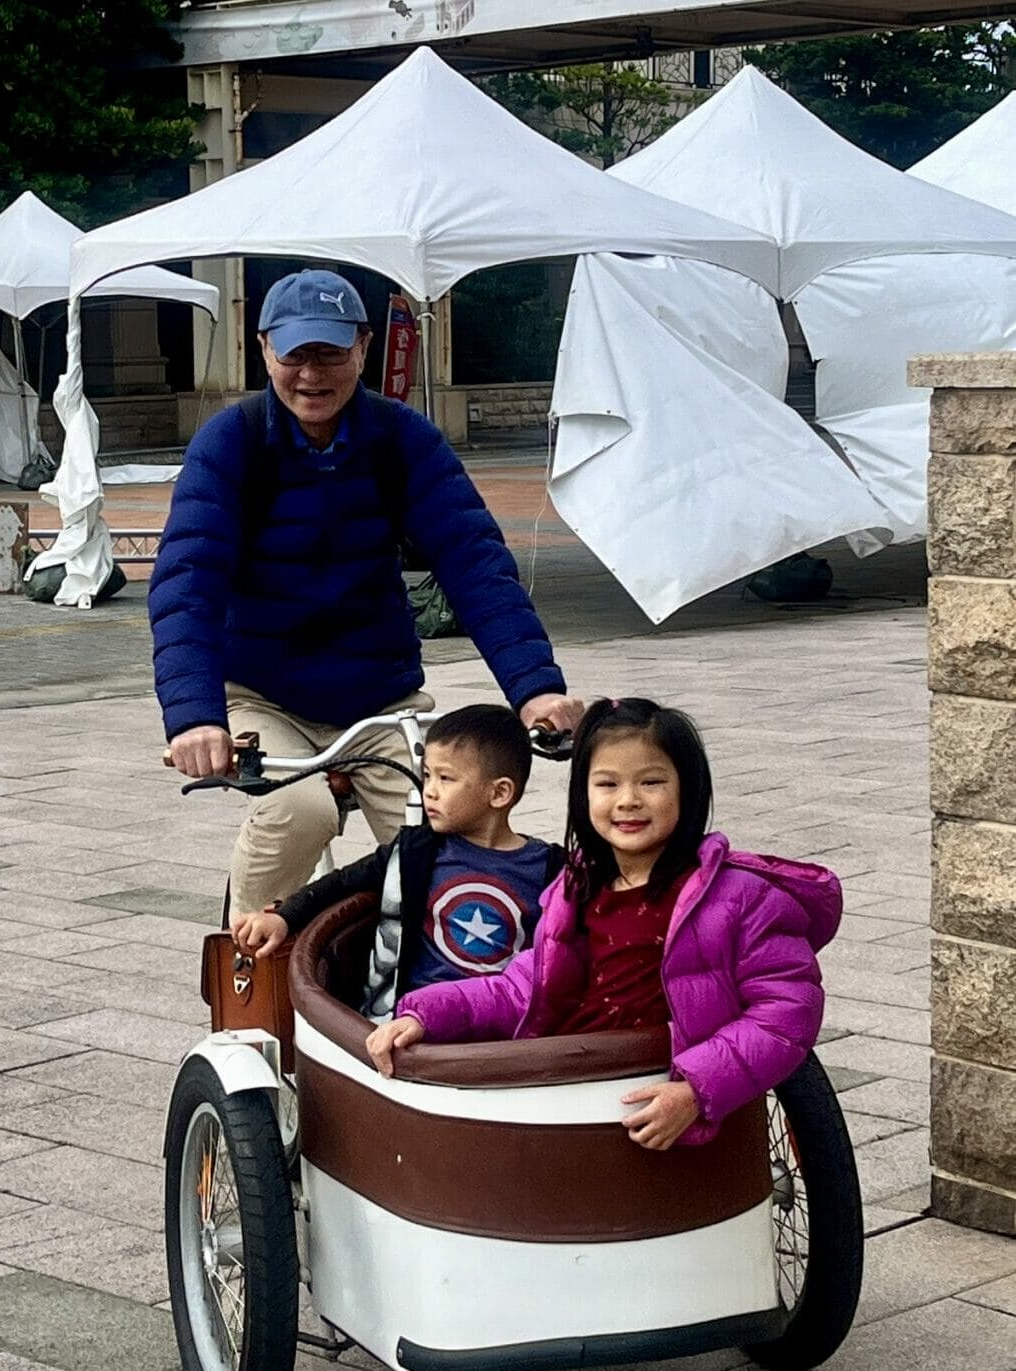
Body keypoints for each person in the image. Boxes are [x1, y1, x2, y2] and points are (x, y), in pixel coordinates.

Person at [149, 268, 582, 917]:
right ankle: (245, 967)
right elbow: (189, 583)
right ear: (264, 348)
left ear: (363, 346)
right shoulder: (233, 444)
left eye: (331, 351)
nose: (312, 373)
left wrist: (535, 687)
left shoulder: (400, 439)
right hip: (263, 695)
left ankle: (445, 982)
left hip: (380, 699)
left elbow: (475, 563)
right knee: (300, 809)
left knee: (445, 831)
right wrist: (195, 717)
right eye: (295, 353)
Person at [366, 697, 841, 1152]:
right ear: (583, 794)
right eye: (607, 784)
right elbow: (520, 989)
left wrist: (698, 1088)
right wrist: (422, 1013)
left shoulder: (739, 898)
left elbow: (786, 1012)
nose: (628, 801)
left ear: (688, 790)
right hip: (573, 1096)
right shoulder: (575, 892)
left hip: (660, 1102)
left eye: (651, 783)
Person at [231, 705, 566, 1019]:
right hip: (409, 1019)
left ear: (499, 793)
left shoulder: (549, 867)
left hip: (501, 1021)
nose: (428, 791)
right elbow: (342, 883)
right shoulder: (417, 851)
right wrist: (285, 917)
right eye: (427, 776)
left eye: (445, 779)